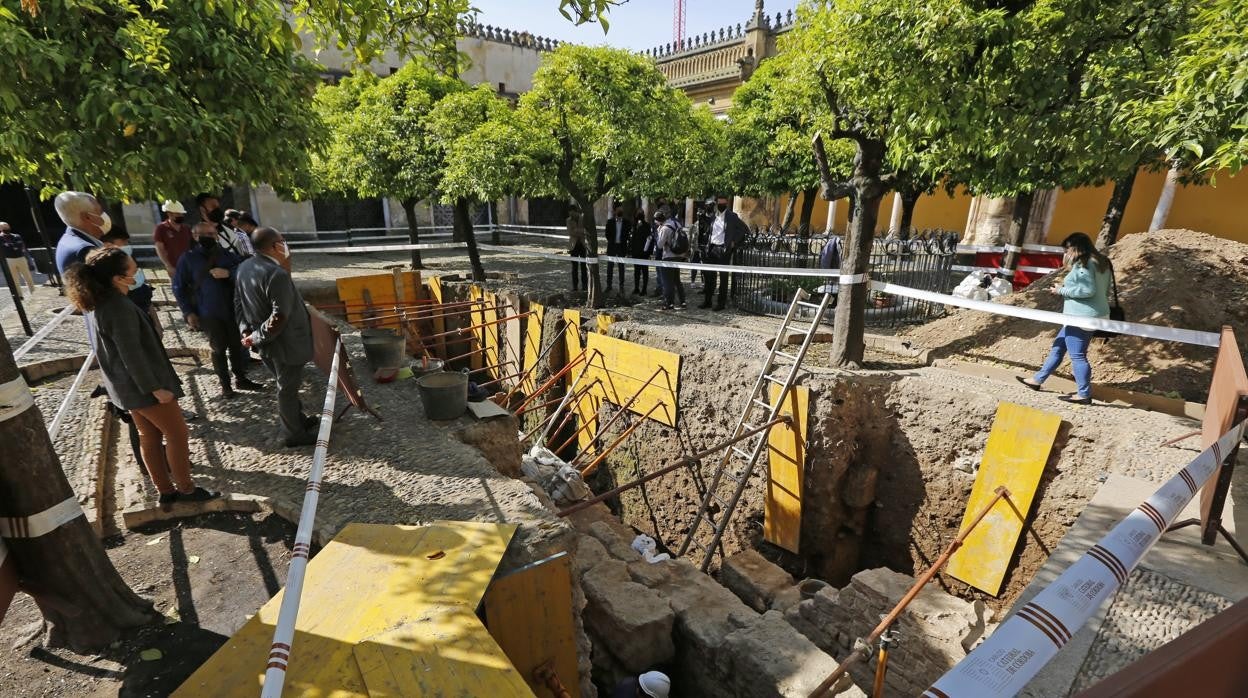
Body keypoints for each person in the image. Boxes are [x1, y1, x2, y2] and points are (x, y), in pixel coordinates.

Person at [63, 247, 218, 508]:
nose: (136, 270)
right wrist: (155, 388)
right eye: (132, 268)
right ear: (119, 277)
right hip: (144, 389)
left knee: (149, 436)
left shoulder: (102, 303)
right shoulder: (118, 307)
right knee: (177, 434)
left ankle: (166, 491)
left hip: (127, 389)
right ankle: (186, 490)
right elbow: (131, 355)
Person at [235, 227, 318, 447]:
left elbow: (238, 304)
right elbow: (280, 315)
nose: (286, 246)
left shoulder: (244, 267)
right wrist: (255, 337)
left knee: (285, 383)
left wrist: (247, 331)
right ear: (275, 246)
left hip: (265, 342)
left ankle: (298, 420)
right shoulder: (276, 273)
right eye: (283, 241)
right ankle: (293, 434)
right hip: (285, 343)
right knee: (287, 388)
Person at [1017, 232, 1112, 405]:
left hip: (1081, 316)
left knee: (1078, 356)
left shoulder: (1084, 263)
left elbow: (1086, 290)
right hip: (1093, 314)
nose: (1067, 253)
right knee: (1059, 347)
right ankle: (1037, 380)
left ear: (1076, 247)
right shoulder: (1102, 262)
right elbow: (1104, 291)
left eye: (1068, 249)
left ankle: (1084, 394)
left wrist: (1060, 290)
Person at [175, 223, 264, 398]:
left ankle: (241, 378)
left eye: (211, 233)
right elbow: (179, 287)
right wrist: (188, 311)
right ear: (195, 236)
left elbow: (243, 269)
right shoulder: (188, 259)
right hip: (208, 311)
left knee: (237, 346)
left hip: (231, 309)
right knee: (218, 348)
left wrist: (228, 273)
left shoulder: (226, 255)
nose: (208, 236)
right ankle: (225, 385)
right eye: (203, 234)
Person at [101, 229, 162, 335]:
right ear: (108, 246)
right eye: (124, 243)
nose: (127, 246)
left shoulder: (130, 267)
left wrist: (157, 325)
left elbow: (146, 301)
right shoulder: (114, 289)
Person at [701, 195, 749, 310]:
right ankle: (707, 301)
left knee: (723, 277)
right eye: (719, 204)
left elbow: (744, 229)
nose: (721, 206)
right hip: (711, 248)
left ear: (726, 204)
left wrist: (733, 242)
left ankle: (721, 303)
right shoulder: (713, 216)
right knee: (709, 276)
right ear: (716, 204)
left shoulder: (732, 216)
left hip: (723, 249)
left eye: (724, 204)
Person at [655, 207, 687, 311]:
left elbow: (660, 245)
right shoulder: (677, 223)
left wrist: (658, 232)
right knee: (677, 280)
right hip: (679, 255)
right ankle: (683, 301)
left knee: (667, 282)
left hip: (669, 256)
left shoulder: (664, 228)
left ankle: (669, 303)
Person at [196, 192, 248, 259]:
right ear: (202, 210)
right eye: (213, 207)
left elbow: (249, 253)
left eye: (218, 207)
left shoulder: (235, 230)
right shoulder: (198, 237)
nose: (217, 210)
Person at [153, 200, 192, 278]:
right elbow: (160, 248)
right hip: (174, 267)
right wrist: (168, 266)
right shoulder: (161, 229)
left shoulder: (186, 228)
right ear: (169, 214)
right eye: (178, 214)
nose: (180, 215)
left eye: (181, 213)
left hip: (189, 265)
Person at [0, 221, 36, 299]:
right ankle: (19, 296)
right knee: (14, 279)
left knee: (28, 277)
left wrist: (9, 246)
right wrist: (13, 246)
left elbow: (21, 246)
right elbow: (4, 248)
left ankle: (34, 293)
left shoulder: (16, 236)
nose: (6, 228)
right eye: (4, 227)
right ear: (0, 229)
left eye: (7, 226)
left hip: (21, 258)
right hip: (9, 260)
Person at [602, 205, 631, 292]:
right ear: (615, 211)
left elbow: (628, 234)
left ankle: (621, 286)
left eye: (621, 210)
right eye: (618, 210)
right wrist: (612, 241)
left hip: (621, 247)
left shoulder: (626, 222)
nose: (620, 211)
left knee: (621, 267)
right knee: (610, 267)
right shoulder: (610, 222)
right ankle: (609, 285)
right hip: (612, 247)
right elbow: (607, 234)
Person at [566, 204, 589, 292]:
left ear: (576, 211)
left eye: (572, 213)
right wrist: (580, 231)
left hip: (583, 245)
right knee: (574, 267)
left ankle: (585, 286)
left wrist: (576, 230)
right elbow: (570, 232)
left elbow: (585, 230)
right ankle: (575, 286)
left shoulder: (583, 218)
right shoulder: (568, 220)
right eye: (570, 213)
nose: (571, 215)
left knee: (584, 266)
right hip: (573, 246)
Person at [630, 210, 653, 296]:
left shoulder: (647, 226)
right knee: (636, 271)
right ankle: (636, 288)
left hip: (644, 252)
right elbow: (632, 239)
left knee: (644, 271)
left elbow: (649, 239)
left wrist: (649, 252)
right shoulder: (634, 225)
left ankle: (644, 289)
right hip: (636, 252)